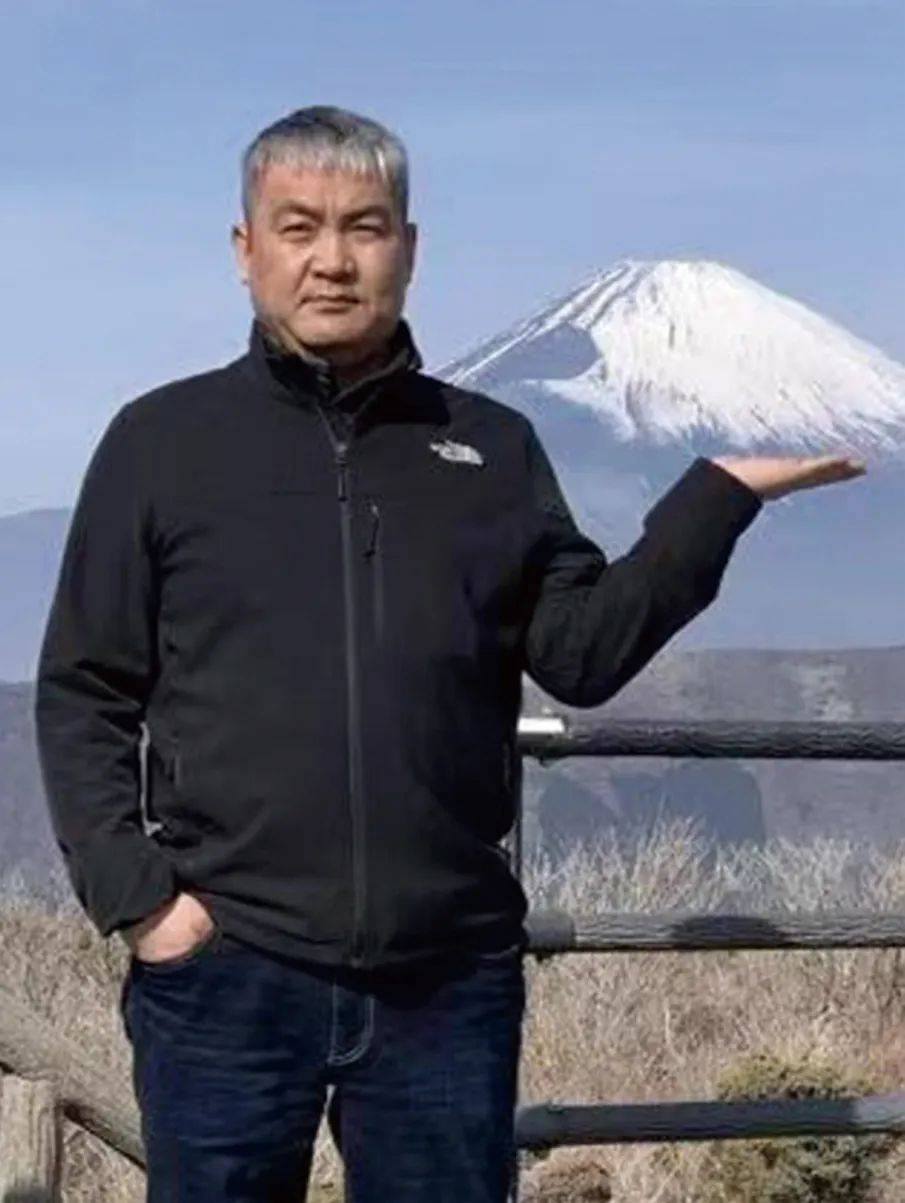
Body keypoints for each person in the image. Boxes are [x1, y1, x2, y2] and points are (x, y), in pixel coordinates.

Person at [33, 105, 866, 1202]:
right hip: (228, 968)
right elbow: (84, 689)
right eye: (298, 227)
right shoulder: (162, 444)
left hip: (445, 983)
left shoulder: (489, 450)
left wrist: (712, 500)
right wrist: (145, 905)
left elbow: (581, 653)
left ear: (409, 248)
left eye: (364, 227)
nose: (332, 259)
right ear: (245, 250)